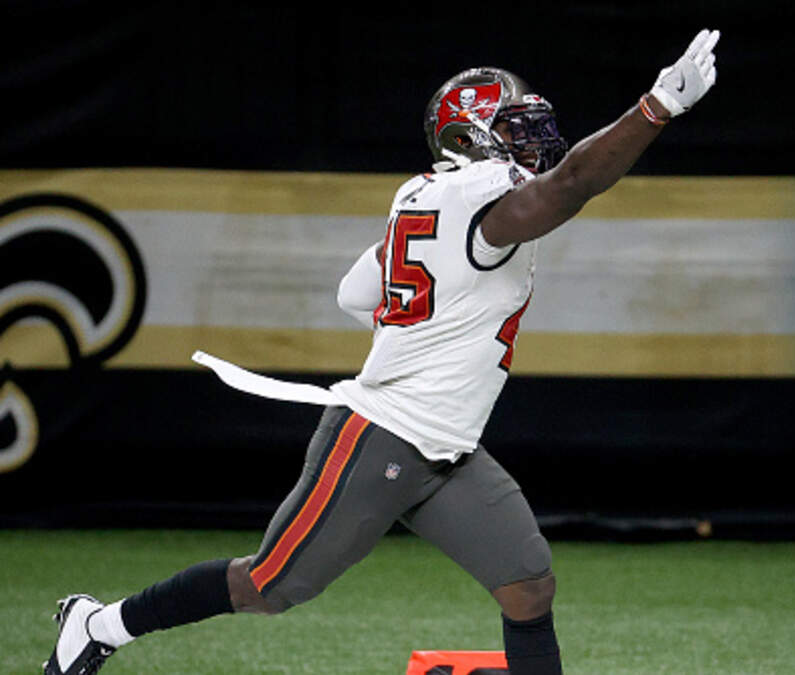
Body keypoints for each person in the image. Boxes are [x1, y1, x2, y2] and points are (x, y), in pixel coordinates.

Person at [43, 28, 720, 675]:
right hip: (384, 437)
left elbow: (354, 290)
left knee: (528, 586)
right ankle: (98, 624)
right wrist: (657, 107)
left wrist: (418, 326)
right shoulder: (481, 194)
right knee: (268, 584)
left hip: (448, 445)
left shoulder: (427, 194)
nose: (532, 142)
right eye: (513, 128)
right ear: (468, 138)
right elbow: (572, 184)